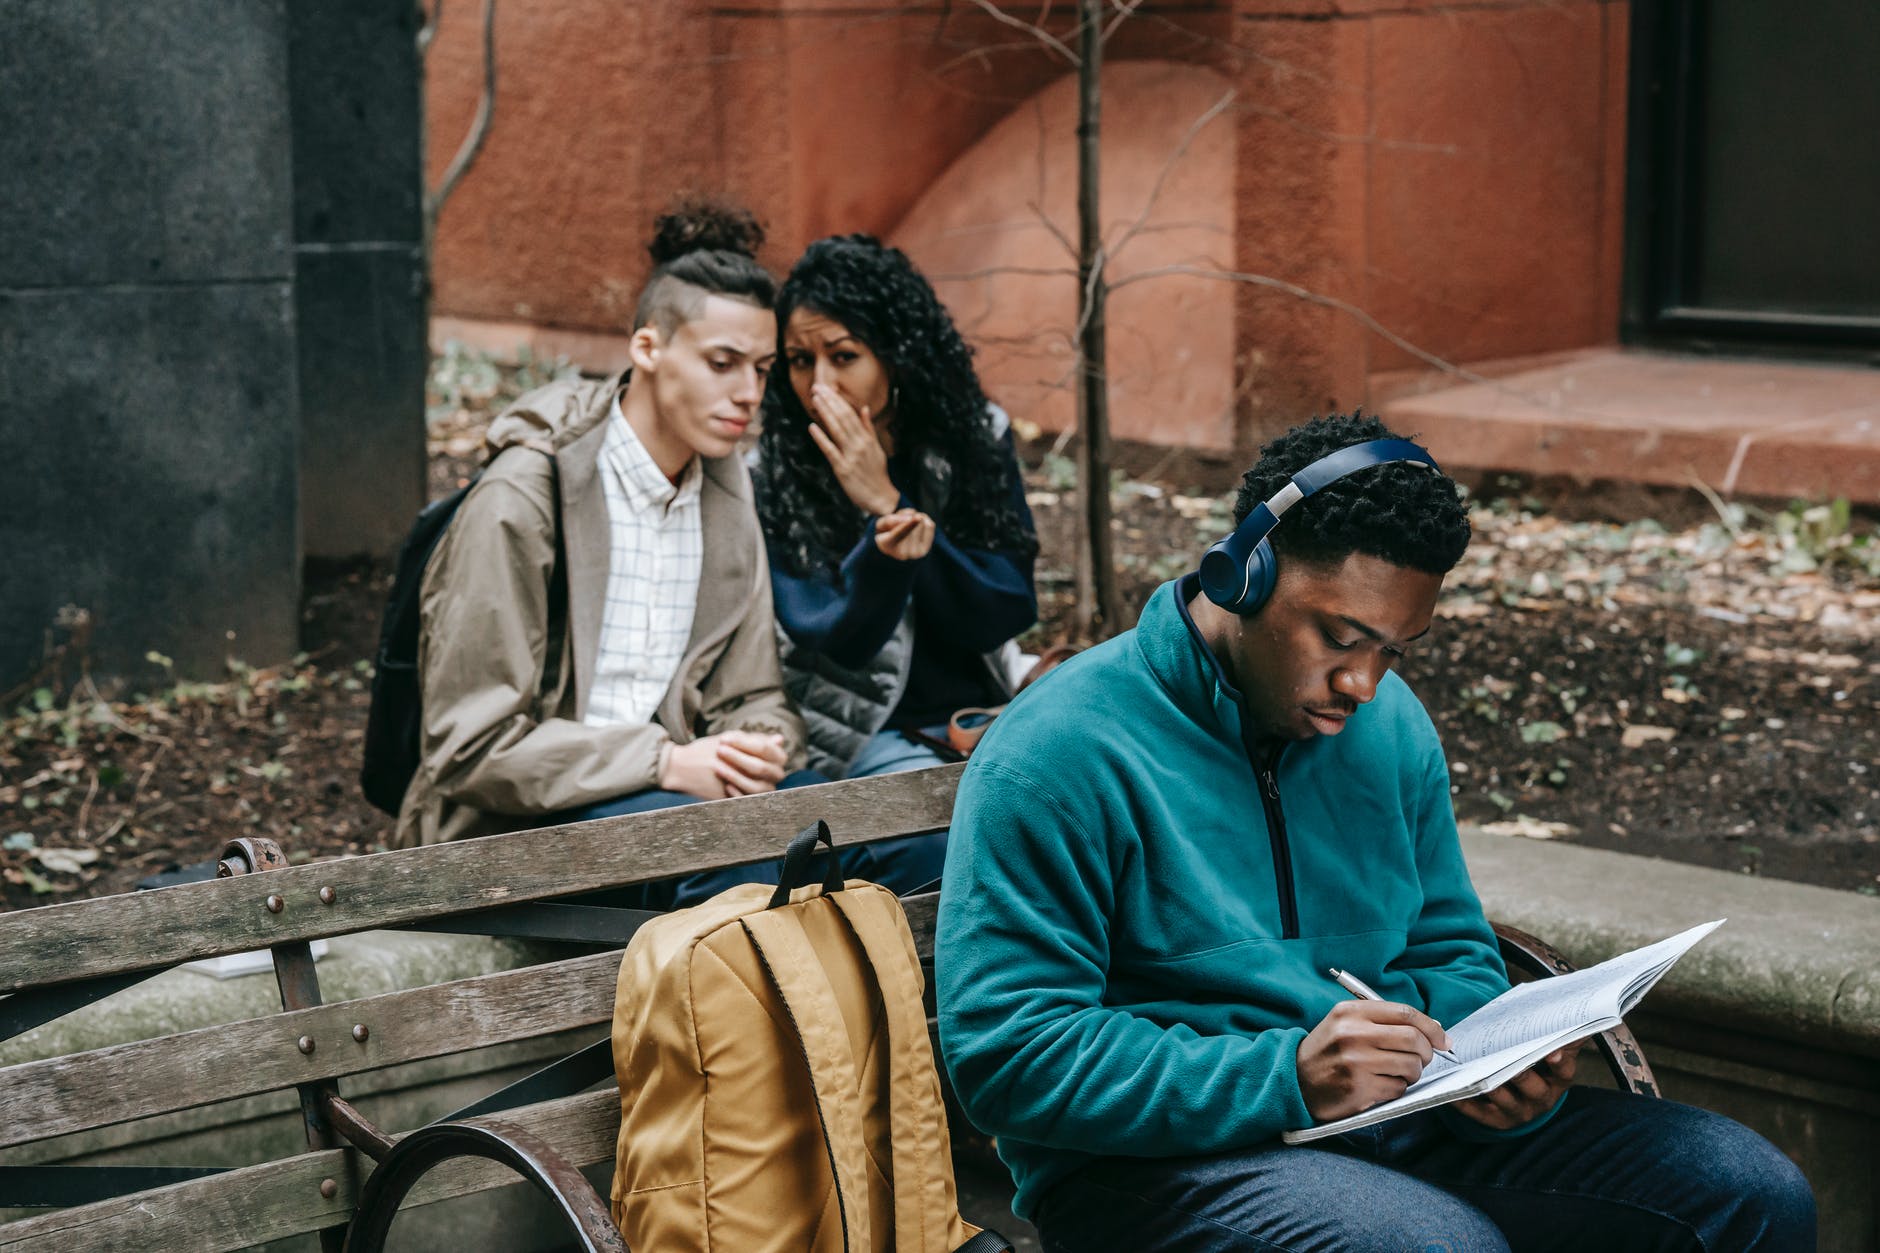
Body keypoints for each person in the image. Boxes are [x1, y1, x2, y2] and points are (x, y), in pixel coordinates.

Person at [935, 413, 1815, 1252]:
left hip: (1399, 1125)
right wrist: (1286, 1075)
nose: (1362, 684)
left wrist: (1502, 1069)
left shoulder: (1391, 728)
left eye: (1396, 648)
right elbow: (1008, 1053)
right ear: (1243, 573)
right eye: (1341, 636)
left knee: (1743, 1187)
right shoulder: (1057, 752)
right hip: (1156, 1166)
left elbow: (1454, 951)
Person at [393, 204, 820, 900]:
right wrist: (663, 760)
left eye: (763, 368)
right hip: (510, 826)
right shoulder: (525, 498)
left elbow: (752, 693)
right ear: (647, 349)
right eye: (722, 363)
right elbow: (470, 750)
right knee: (740, 873)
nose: (749, 393)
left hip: (673, 807)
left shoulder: (727, 490)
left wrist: (756, 743)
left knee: (873, 838)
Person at [752, 234, 1039, 791]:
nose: (819, 386)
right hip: (859, 732)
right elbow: (836, 640)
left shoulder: (972, 437)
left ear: (896, 354)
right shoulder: (774, 468)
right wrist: (886, 545)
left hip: (982, 714)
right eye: (799, 361)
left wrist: (886, 501)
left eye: (843, 357)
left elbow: (1006, 607)